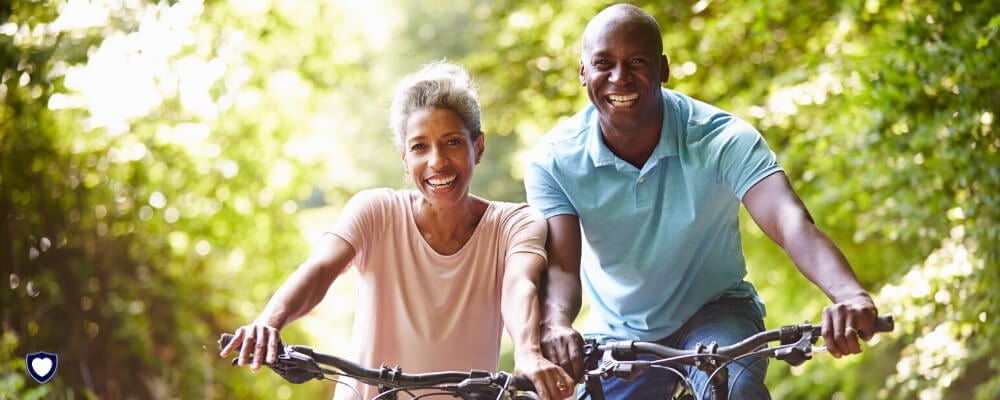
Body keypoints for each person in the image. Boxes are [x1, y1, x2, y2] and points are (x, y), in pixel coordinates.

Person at [523, 4, 881, 399]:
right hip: (620, 334)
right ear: (583, 72)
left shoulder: (721, 139)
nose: (619, 78)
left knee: (734, 390)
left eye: (636, 62)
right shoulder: (554, 161)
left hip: (717, 313)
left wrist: (849, 295)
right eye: (603, 63)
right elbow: (561, 269)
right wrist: (555, 323)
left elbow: (790, 223)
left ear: (663, 69)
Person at [220, 61, 575, 400]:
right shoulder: (375, 211)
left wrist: (528, 353)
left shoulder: (515, 224)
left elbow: (519, 285)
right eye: (420, 147)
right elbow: (319, 270)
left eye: (451, 142)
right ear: (404, 157)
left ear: (477, 147)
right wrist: (269, 321)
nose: (436, 161)